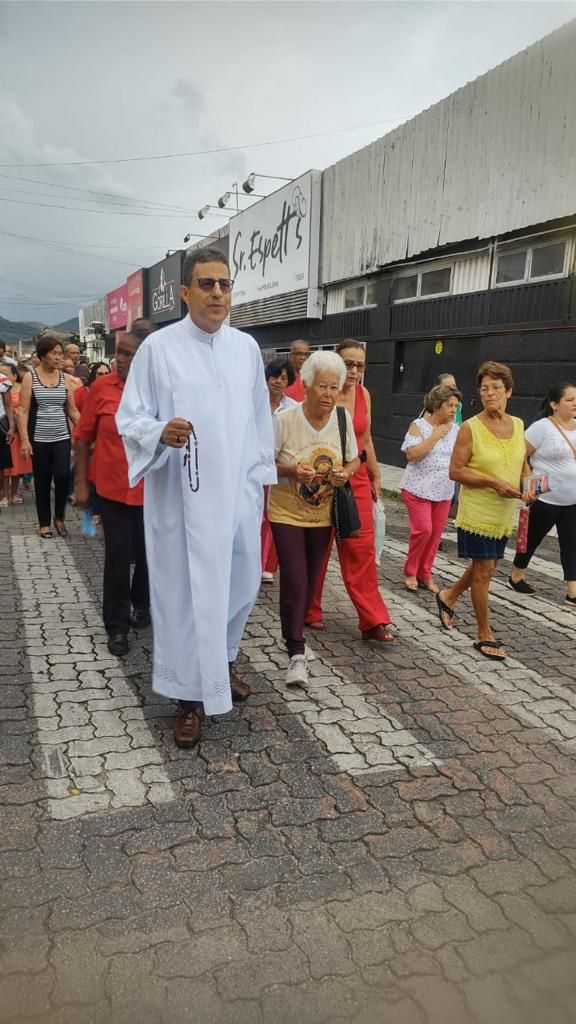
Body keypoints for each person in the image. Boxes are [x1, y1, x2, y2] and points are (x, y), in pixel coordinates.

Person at [116, 246, 275, 749]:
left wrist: (260, 481)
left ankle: (220, 666)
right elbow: (130, 418)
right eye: (207, 284)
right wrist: (160, 431)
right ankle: (188, 700)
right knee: (188, 596)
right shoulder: (159, 349)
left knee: (240, 585)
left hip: (237, 494)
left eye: (225, 284)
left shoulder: (245, 348)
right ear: (185, 292)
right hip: (183, 498)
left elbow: (259, 419)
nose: (218, 293)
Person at [268, 350, 360, 687]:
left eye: (334, 387)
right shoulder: (284, 421)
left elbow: (354, 460)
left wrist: (345, 474)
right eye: (322, 386)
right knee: (294, 577)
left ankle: (293, 634)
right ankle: (296, 652)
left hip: (323, 516)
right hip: (286, 513)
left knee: (310, 581)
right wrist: (292, 470)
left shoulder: (342, 419)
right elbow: (265, 462)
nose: (328, 393)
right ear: (306, 385)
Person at [436, 361, 530, 661]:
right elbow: (455, 471)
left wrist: (530, 486)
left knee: (484, 566)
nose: (489, 393)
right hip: (478, 511)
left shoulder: (518, 424)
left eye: (496, 388)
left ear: (509, 391)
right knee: (484, 571)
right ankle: (483, 633)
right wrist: (493, 482)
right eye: (484, 388)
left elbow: (522, 464)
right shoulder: (470, 427)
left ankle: (448, 595)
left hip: (504, 513)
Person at [305, 340, 394, 642]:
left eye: (360, 365)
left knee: (361, 548)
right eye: (349, 364)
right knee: (318, 546)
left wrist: (376, 475)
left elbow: (366, 440)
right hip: (321, 476)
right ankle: (309, 609)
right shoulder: (320, 392)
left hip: (355, 477)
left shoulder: (363, 394)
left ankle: (372, 620)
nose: (354, 370)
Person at [74, 333, 151, 656]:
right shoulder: (102, 388)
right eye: (119, 353)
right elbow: (82, 437)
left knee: (149, 554)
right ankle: (117, 627)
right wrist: (81, 484)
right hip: (112, 489)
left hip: (151, 491)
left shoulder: (158, 390)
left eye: (130, 354)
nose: (121, 359)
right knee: (118, 557)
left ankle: (142, 604)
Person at [509, 382, 576, 604]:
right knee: (532, 539)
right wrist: (528, 483)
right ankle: (516, 576)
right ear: (554, 404)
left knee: (571, 543)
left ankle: (573, 591)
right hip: (545, 497)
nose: (575, 403)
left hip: (572, 499)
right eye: (569, 399)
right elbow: (520, 455)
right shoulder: (542, 428)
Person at [400, 382, 462, 593]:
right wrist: (436, 435)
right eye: (449, 405)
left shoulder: (457, 430)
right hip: (417, 488)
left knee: (435, 535)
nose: (453, 410)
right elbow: (412, 455)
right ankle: (410, 570)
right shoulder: (419, 426)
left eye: (456, 406)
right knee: (423, 530)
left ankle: (425, 573)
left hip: (443, 491)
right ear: (436, 405)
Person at [17, 336, 80, 538]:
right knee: (42, 480)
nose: (59, 357)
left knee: (62, 476)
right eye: (54, 353)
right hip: (39, 438)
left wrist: (87, 429)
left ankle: (59, 517)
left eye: (60, 353)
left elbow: (72, 410)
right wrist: (25, 440)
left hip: (61, 436)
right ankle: (44, 523)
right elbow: (23, 411)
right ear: (43, 356)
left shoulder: (65, 378)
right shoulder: (31, 377)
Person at [261, 359, 297, 582]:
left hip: (277, 468)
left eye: (284, 378)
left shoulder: (293, 407)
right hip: (253, 464)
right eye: (275, 376)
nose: (278, 381)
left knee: (269, 516)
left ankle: (262, 564)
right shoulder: (255, 401)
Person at [2, 363, 33, 505]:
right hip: (4, 429)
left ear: (14, 376)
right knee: (4, 465)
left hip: (19, 432)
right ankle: (4, 493)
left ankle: (14, 492)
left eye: (5, 373)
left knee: (17, 465)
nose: (2, 376)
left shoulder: (23, 389)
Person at [0, 365, 16, 510]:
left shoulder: (2, 380)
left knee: (1, 465)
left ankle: (3, 495)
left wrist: (11, 427)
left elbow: (9, 405)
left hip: (0, 425)